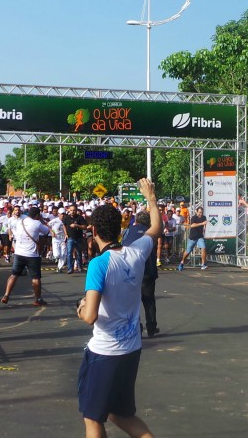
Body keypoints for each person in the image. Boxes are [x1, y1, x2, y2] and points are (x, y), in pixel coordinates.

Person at [76, 178, 160, 438]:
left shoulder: (99, 265)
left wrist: (79, 308)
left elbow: (90, 316)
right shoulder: (136, 252)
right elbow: (155, 228)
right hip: (131, 348)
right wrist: (151, 198)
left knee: (92, 418)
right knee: (119, 413)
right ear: (120, 229)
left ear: (94, 231)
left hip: (105, 352)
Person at [1, 206, 50, 306]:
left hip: (19, 253)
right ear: (37, 215)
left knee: (14, 275)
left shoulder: (20, 222)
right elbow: (47, 231)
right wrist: (41, 220)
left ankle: (6, 295)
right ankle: (38, 299)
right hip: (32, 255)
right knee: (36, 278)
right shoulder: (37, 223)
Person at [123, 211, 159, 338]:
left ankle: (136, 325)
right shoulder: (151, 233)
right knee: (149, 300)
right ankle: (151, 327)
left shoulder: (128, 231)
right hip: (148, 270)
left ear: (136, 221)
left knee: (133, 301)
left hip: (131, 271)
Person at [178, 206, 208, 271]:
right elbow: (192, 225)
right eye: (199, 212)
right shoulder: (194, 217)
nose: (200, 214)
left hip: (200, 236)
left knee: (203, 247)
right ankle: (182, 262)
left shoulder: (204, 217)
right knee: (188, 251)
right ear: (196, 212)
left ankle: (203, 264)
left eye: (202, 212)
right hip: (193, 237)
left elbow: (205, 225)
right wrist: (202, 223)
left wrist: (204, 229)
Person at [50, 208, 69, 272]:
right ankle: (53, 255)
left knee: (63, 254)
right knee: (57, 254)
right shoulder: (54, 220)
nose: (62, 215)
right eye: (61, 214)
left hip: (63, 239)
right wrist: (52, 231)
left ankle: (59, 268)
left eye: (64, 214)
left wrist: (66, 234)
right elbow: (47, 225)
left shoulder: (66, 221)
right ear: (58, 214)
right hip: (56, 238)